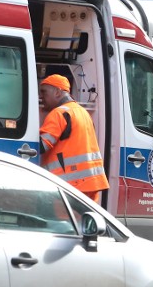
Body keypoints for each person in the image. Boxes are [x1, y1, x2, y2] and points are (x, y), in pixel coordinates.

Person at [39, 74, 109, 204]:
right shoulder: (83, 113)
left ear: (58, 92)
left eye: (44, 92)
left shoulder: (58, 114)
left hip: (68, 187)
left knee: (61, 223)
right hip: (90, 185)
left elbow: (41, 146)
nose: (41, 97)